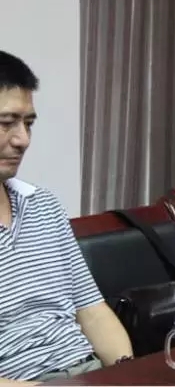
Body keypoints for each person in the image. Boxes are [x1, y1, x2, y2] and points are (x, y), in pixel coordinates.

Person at [0, 50, 133, 383]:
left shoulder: (43, 206)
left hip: (87, 373)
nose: (22, 140)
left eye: (28, 124)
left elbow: (92, 312)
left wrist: (127, 373)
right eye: (6, 123)